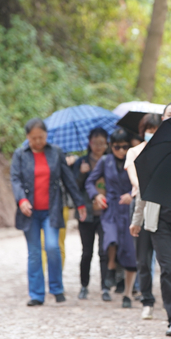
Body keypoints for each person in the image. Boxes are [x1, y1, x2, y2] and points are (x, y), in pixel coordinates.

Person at [131, 102, 171, 336]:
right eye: (169, 115)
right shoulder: (152, 148)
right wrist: (137, 219)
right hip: (160, 220)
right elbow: (145, 187)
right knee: (168, 269)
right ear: (162, 118)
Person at [10, 118, 87, 306]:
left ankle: (56, 288)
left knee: (53, 247)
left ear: (46, 135)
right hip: (29, 211)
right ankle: (36, 294)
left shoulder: (55, 152)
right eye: (34, 138)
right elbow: (15, 179)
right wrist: (22, 200)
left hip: (51, 209)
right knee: (35, 252)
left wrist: (80, 204)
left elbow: (68, 179)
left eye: (41, 137)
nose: (38, 141)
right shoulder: (20, 155)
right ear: (27, 137)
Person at [85, 128, 138, 309]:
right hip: (111, 209)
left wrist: (132, 194)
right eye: (117, 147)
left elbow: (142, 182)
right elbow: (90, 181)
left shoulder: (134, 161)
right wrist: (96, 196)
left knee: (130, 253)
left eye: (124, 146)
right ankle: (111, 269)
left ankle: (128, 294)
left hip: (129, 210)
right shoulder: (105, 161)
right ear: (111, 146)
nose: (121, 151)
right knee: (110, 239)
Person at [126, 113, 163, 319]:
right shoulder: (134, 152)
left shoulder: (168, 152)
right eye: (149, 130)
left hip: (162, 207)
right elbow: (135, 178)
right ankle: (147, 299)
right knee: (143, 258)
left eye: (156, 129)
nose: (153, 133)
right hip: (141, 204)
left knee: (166, 259)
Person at [73, 127, 109, 301]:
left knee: (104, 251)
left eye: (102, 143)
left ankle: (105, 287)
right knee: (87, 252)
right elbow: (74, 187)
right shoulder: (82, 162)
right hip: (86, 214)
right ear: (90, 143)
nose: (99, 146)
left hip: (106, 213)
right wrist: (81, 173)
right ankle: (84, 285)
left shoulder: (111, 161)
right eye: (95, 143)